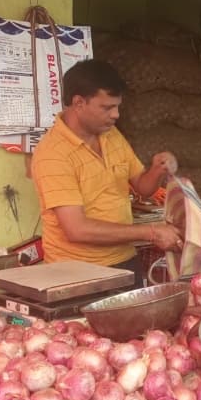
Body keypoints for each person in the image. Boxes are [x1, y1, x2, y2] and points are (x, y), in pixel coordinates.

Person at [31, 59, 183, 286]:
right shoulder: (53, 154)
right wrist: (150, 232)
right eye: (107, 107)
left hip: (124, 261)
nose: (116, 115)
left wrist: (156, 169)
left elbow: (142, 187)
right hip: (77, 272)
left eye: (117, 106)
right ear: (79, 103)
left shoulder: (111, 135)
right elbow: (77, 230)